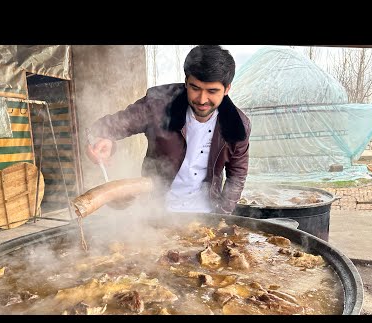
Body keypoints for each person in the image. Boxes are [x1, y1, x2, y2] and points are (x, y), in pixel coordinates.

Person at [86, 45, 251, 214]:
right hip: (158, 211)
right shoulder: (159, 103)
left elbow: (237, 175)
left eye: (212, 91)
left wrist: (222, 216)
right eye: (195, 88)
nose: (202, 99)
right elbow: (105, 128)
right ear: (186, 82)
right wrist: (103, 140)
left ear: (227, 89)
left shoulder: (238, 125)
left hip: (206, 214)